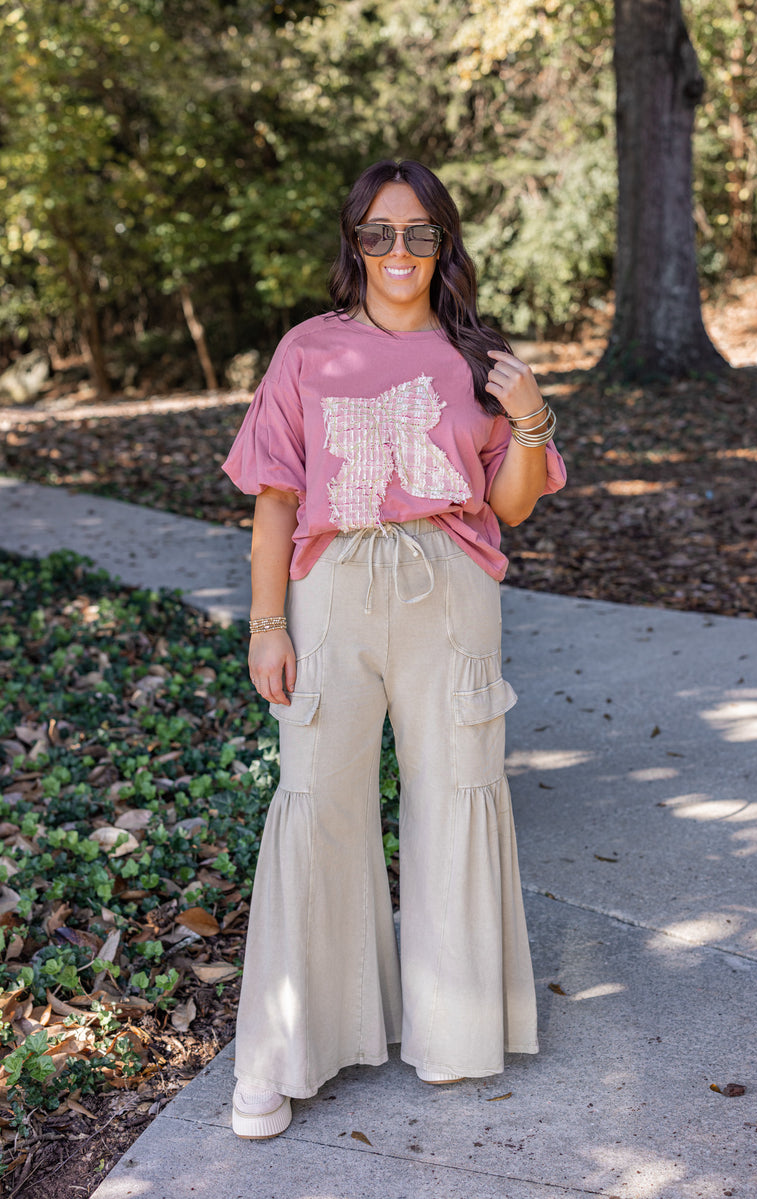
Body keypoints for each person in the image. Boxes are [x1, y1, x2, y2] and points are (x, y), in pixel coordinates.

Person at [221, 159, 566, 1138]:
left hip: (447, 590)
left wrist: (531, 418)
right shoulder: (307, 350)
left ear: (442, 243)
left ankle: (455, 1031)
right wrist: (265, 624)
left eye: (418, 233)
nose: (399, 251)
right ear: (355, 243)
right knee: (313, 798)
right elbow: (275, 501)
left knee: (454, 792)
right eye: (380, 232)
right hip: (329, 590)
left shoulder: (476, 357)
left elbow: (507, 502)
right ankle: (283, 1050)